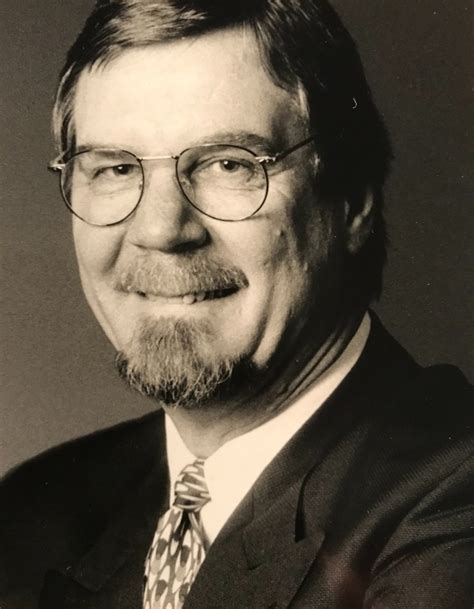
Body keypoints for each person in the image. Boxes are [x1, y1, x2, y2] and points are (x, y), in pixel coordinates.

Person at [0, 1, 472, 608]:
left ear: (352, 201)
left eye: (228, 164)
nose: (161, 229)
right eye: (115, 168)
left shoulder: (453, 502)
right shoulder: (31, 512)